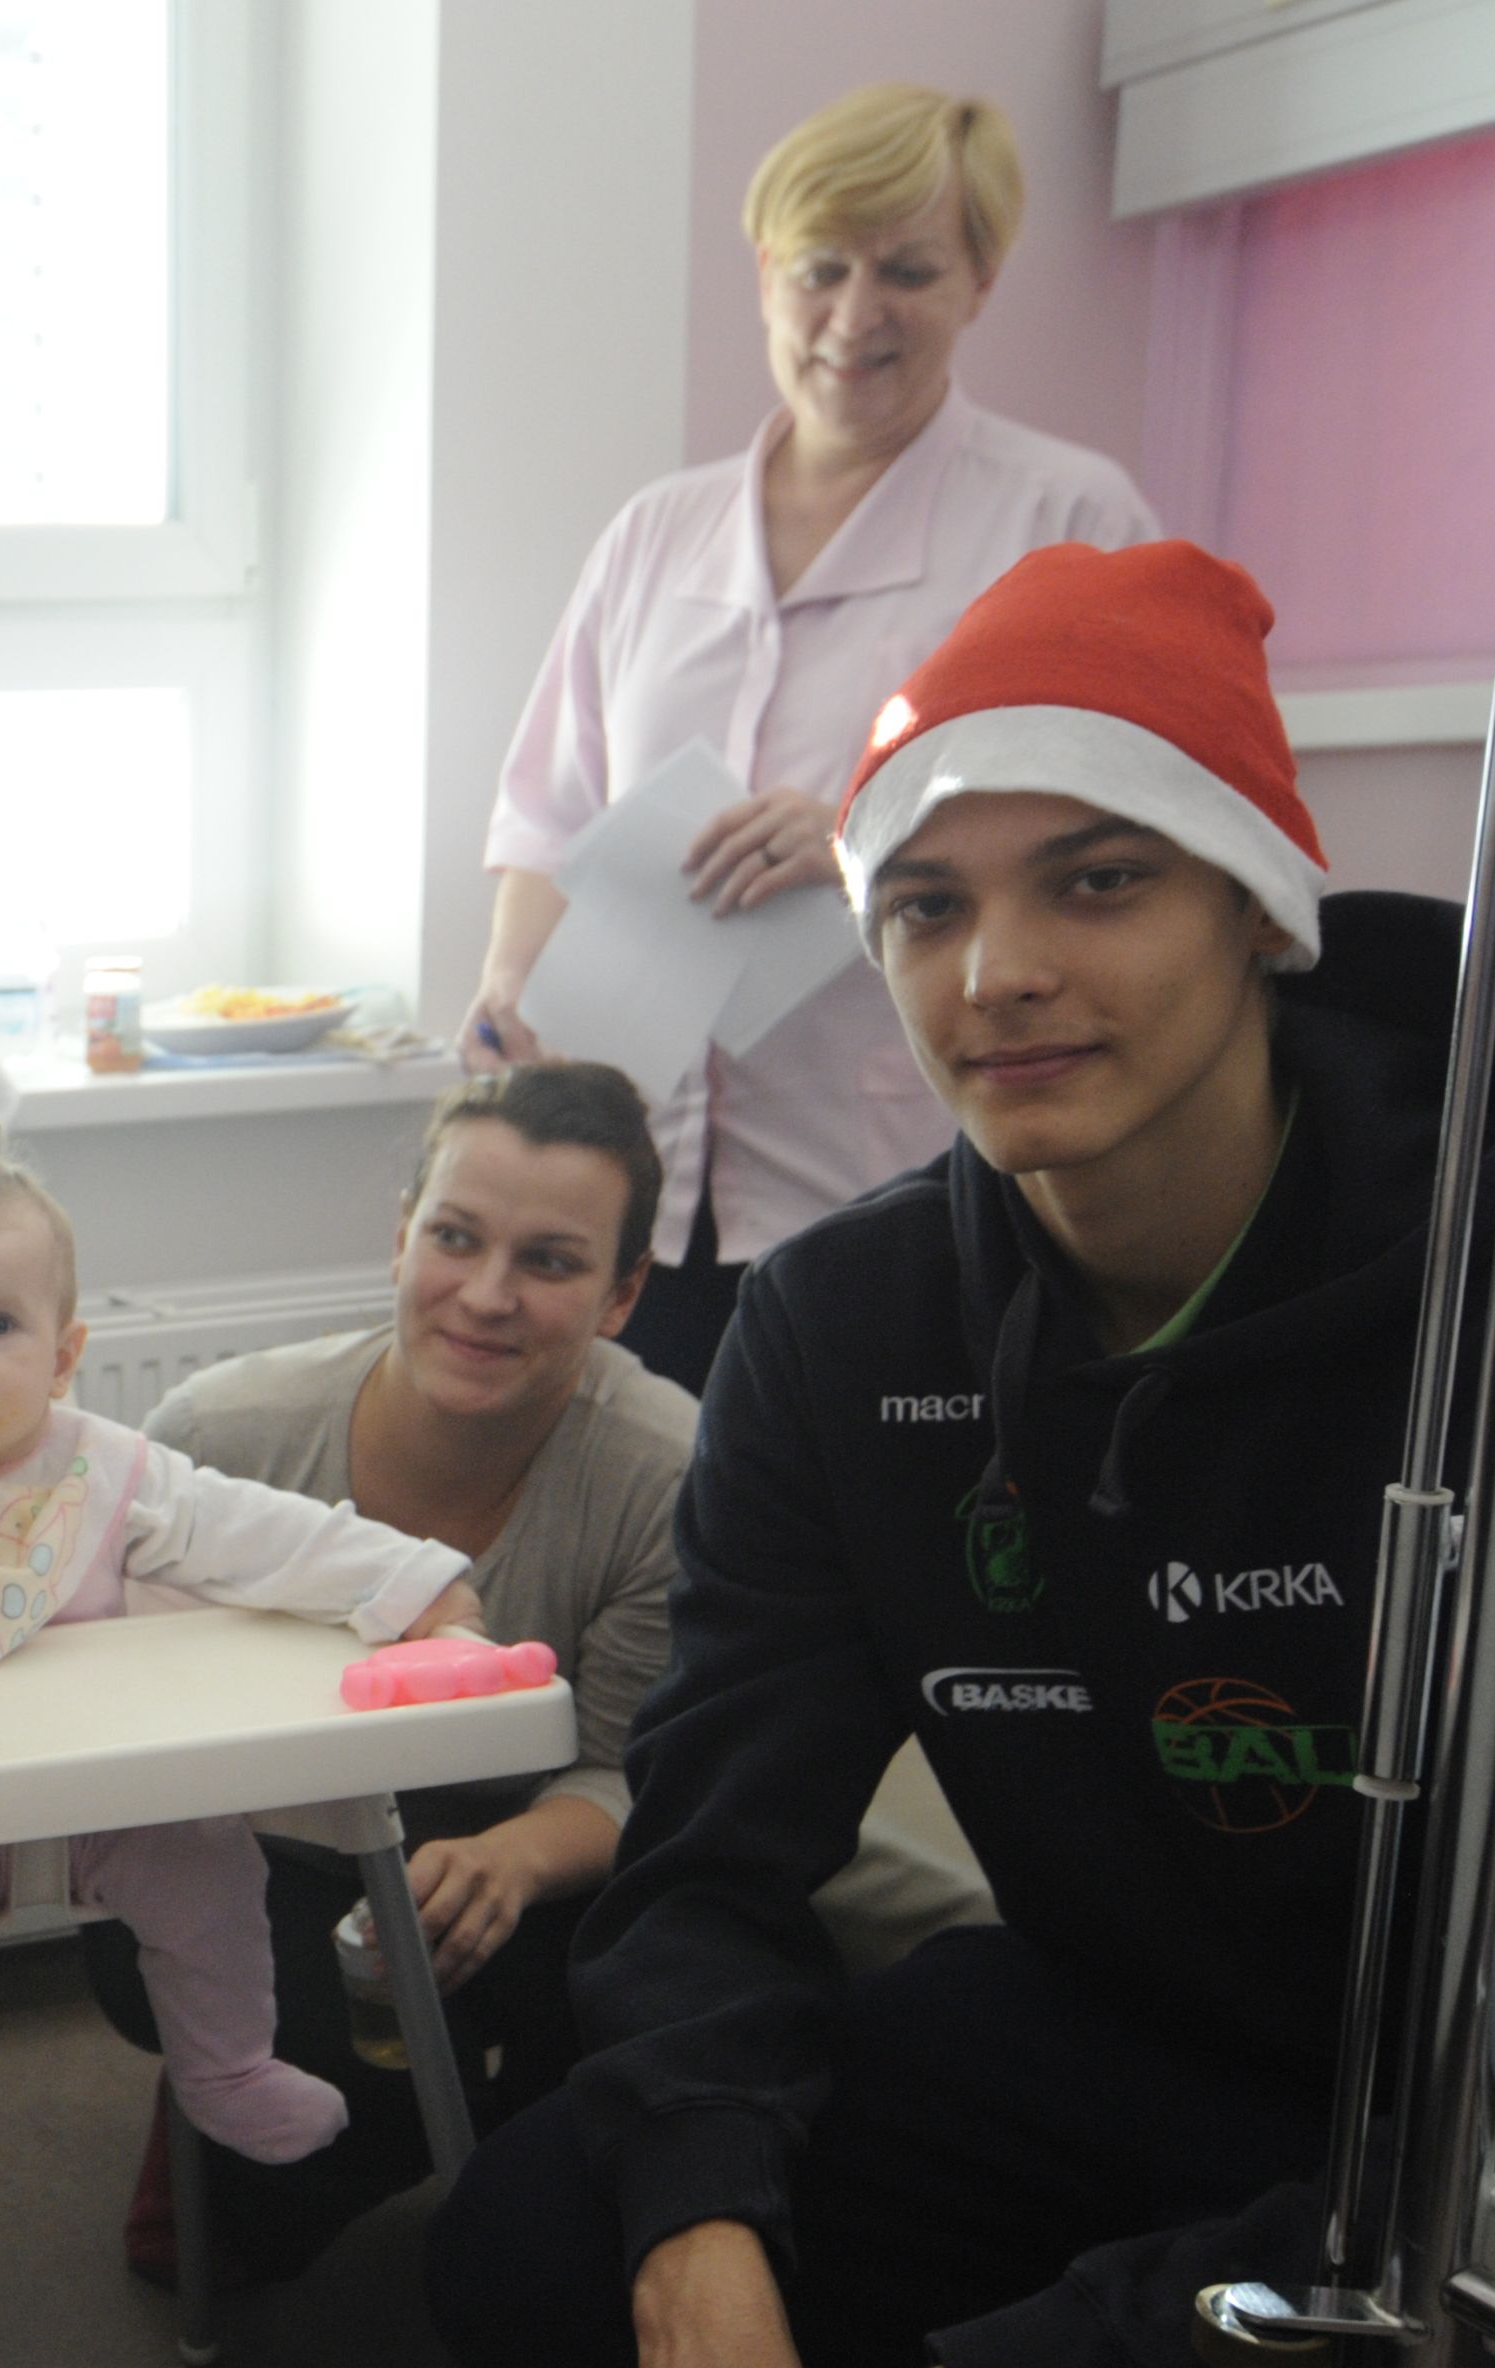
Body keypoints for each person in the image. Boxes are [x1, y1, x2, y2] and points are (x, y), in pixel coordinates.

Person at [421, 543, 1495, 2368]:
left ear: (1258, 911)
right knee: (544, 2250)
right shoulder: (847, 1334)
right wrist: (705, 2281)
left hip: (1470, 2155)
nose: (999, 970)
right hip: (1111, 2033)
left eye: (1100, 879)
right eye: (924, 906)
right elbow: (712, 1857)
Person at [458, 82, 1153, 1392]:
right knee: (652, 1504)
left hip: (897, 1168)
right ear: (767, 275)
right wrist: (508, 981)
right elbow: (551, 813)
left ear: (980, 280)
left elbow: (1122, 840)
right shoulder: (655, 536)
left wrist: (860, 838)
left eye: (908, 271)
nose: (854, 314)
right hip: (638, 1195)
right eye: (820, 269)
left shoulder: (1064, 520)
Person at [0, 1131, 481, 2234]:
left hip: (109, 1795)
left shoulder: (109, 1472)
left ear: (64, 1355)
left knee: (212, 1868)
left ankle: (228, 2068)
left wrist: (412, 1582)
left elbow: (264, 1537)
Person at [77, 1063, 693, 2280]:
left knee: (641, 2046)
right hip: (252, 1852)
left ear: (620, 1296)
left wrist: (513, 1858)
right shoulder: (218, 1438)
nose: (486, 1296)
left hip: (528, 1848)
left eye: (549, 1262)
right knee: (355, 2112)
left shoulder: (662, 1475)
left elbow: (634, 1766)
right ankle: (242, 2132)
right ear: (401, 1234)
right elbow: (111, 1728)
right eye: (454, 1238)